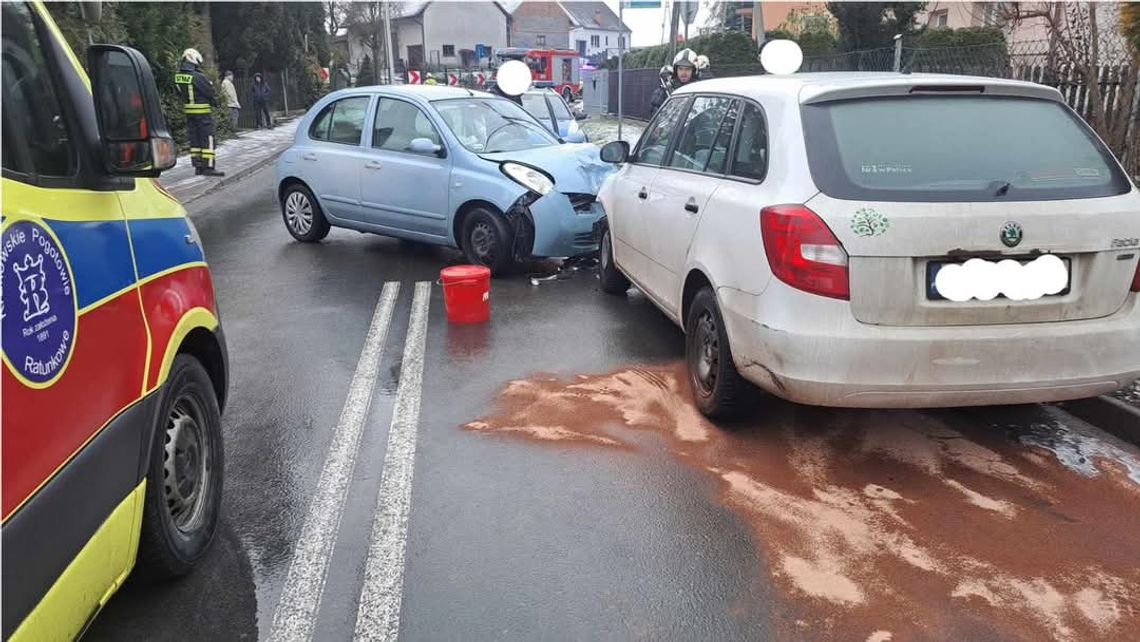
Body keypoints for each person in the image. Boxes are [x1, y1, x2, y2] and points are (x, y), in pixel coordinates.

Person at [174, 48, 224, 176]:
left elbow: (179, 93)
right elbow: (210, 93)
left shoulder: (178, 76)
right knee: (208, 138)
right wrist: (215, 102)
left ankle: (198, 166)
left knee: (195, 140)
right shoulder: (198, 77)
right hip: (203, 114)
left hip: (189, 113)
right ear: (193, 59)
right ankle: (209, 167)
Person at [650, 48, 703, 116]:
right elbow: (655, 114)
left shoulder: (701, 90)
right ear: (675, 70)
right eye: (680, 69)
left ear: (694, 71)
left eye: (688, 69)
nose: (683, 72)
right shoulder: (665, 91)